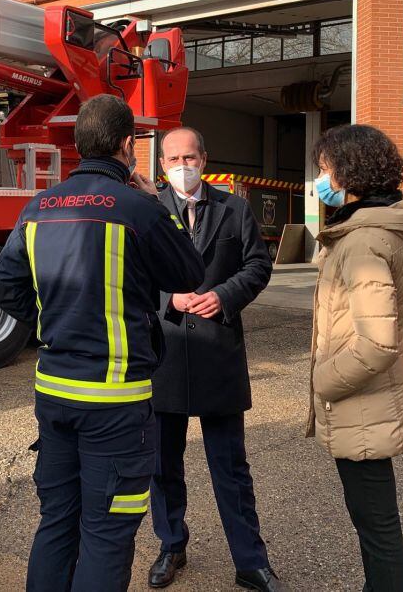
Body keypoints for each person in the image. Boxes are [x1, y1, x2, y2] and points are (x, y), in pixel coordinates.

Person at [0, 94, 205, 592]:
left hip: (54, 393)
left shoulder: (39, 206)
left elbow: (6, 288)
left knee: (57, 524)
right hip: (116, 403)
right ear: (128, 146)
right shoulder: (138, 208)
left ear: (79, 144)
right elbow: (189, 273)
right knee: (107, 534)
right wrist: (158, 203)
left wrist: (53, 322)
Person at [147, 127, 281, 592]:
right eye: (172, 159)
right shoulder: (147, 212)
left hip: (220, 354)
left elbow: (258, 266)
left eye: (189, 156)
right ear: (161, 164)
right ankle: (171, 544)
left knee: (230, 466)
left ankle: (250, 561)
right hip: (163, 355)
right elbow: (130, 273)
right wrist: (170, 298)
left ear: (204, 158)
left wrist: (224, 295)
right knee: (163, 465)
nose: (182, 165)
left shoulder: (235, 209)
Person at [306, 124, 403, 592]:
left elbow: (376, 343)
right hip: (370, 403)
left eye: (324, 170)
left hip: (362, 404)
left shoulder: (362, 242)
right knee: (374, 523)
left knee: (377, 527)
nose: (320, 180)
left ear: (347, 172)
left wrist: (324, 381)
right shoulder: (375, 230)